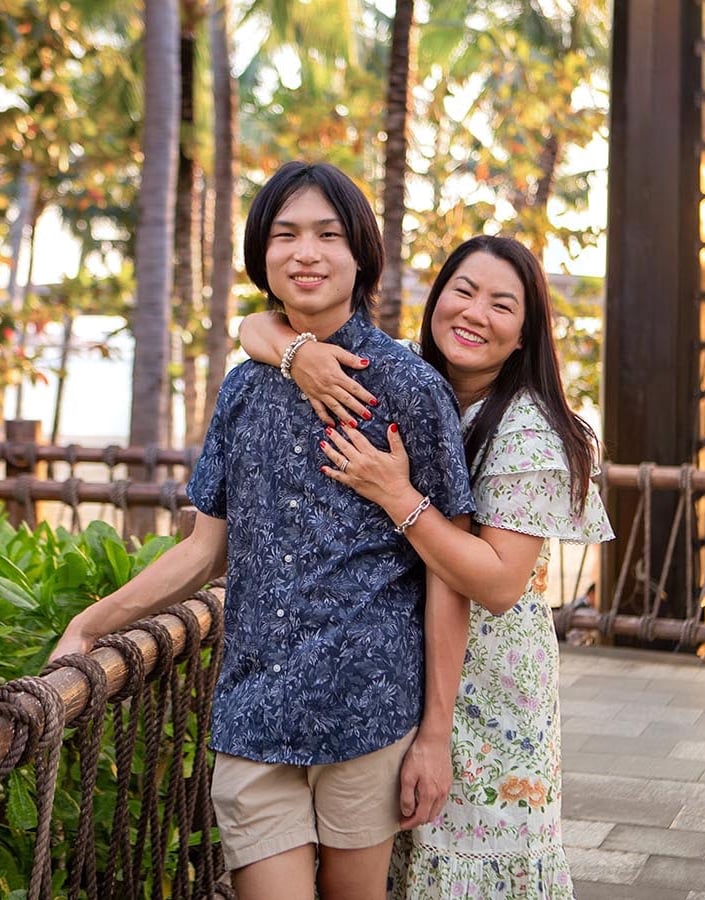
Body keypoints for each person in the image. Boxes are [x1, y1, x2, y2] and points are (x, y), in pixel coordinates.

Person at [51, 161, 477, 900]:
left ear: (361, 256)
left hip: (368, 710)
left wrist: (434, 737)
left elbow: (450, 571)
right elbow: (202, 549)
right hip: (253, 710)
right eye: (285, 235)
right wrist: (91, 624)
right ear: (262, 255)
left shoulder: (409, 385)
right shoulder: (243, 385)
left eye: (327, 235)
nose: (305, 253)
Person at [238, 234, 615, 898]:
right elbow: (259, 324)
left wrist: (397, 494)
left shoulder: (532, 433)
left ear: (526, 334)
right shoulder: (404, 375)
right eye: (462, 292)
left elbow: (498, 582)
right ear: (435, 299)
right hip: (398, 682)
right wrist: (296, 354)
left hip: (485, 697)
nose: (475, 314)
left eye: (502, 305)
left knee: (470, 873)